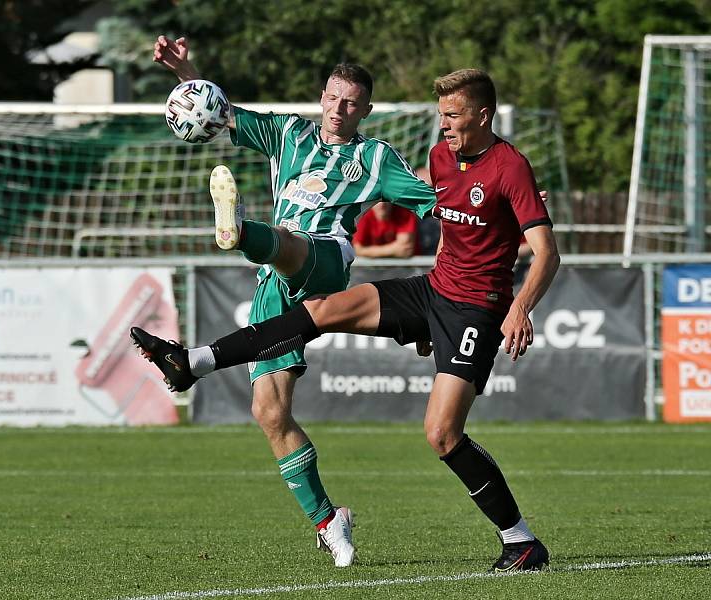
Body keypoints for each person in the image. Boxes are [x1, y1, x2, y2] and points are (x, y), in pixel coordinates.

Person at [132, 68, 560, 572]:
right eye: (441, 114)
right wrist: (188, 76)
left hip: (440, 295)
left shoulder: (494, 166)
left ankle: (521, 541)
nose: (443, 124)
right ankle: (193, 361)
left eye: (452, 115)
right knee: (299, 349)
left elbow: (533, 247)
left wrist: (519, 301)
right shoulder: (435, 154)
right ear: (321, 97)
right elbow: (449, 216)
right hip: (423, 292)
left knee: (441, 434)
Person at [135, 35, 439, 568]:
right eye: (332, 98)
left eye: (351, 103)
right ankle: (329, 521)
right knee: (269, 412)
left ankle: (240, 233)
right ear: (321, 97)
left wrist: (506, 206)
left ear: (365, 110)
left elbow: (436, 202)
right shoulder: (288, 133)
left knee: (287, 241)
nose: (339, 110)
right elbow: (218, 113)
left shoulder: (376, 157)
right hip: (276, 281)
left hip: (326, 261)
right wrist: (187, 73)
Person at [352, 201, 418, 257]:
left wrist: (367, 251)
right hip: (369, 269)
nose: (382, 204)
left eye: (385, 200)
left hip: (407, 268)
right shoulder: (362, 215)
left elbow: (405, 249)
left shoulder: (404, 213)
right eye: (377, 201)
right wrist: (392, 250)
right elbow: (357, 249)